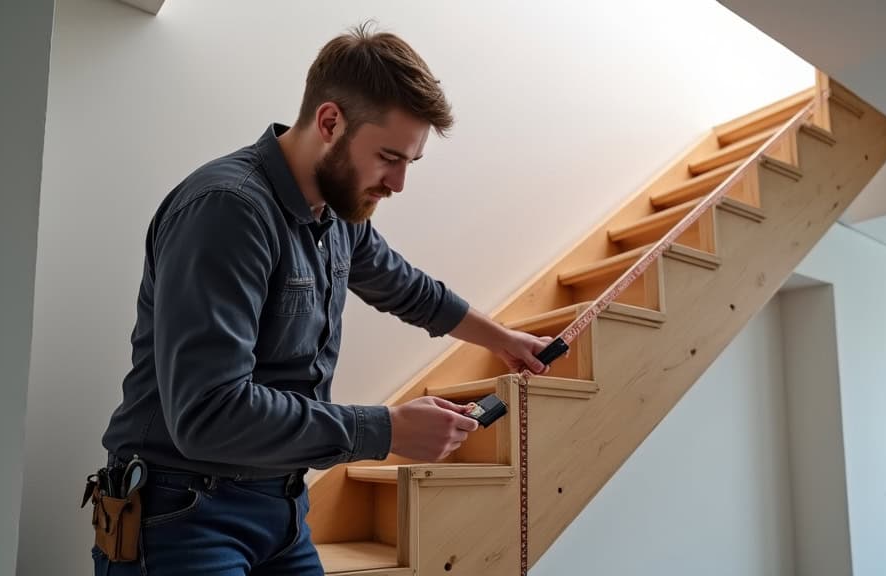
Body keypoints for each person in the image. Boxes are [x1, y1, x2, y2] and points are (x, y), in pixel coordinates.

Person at [93, 23, 550, 575]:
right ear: (330, 122)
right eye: (388, 157)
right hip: (181, 514)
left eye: (409, 162)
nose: (398, 183)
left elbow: (407, 288)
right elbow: (208, 414)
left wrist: (503, 340)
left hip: (281, 508)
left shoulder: (337, 212)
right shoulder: (227, 210)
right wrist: (388, 429)